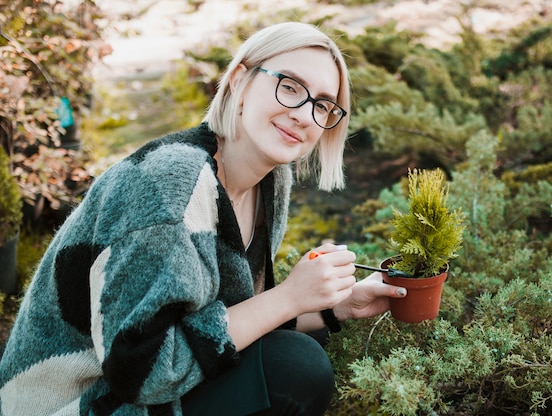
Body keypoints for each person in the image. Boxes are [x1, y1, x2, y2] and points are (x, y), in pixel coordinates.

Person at [0, 21, 407, 416]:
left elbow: (226, 325)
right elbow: (140, 370)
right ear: (239, 82)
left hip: (136, 385)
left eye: (322, 104)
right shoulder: (168, 183)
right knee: (294, 369)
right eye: (289, 87)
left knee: (292, 363)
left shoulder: (270, 183)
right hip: (76, 400)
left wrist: (335, 308)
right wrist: (287, 297)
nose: (304, 114)